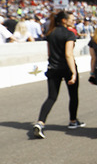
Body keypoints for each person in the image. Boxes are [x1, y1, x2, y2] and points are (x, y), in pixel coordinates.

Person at [32, 10, 84, 138]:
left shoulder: (50, 33)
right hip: (66, 67)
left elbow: (49, 54)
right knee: (73, 95)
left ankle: (40, 122)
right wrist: (73, 72)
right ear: (64, 20)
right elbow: (68, 54)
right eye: (71, 19)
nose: (73, 20)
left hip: (53, 68)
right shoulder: (69, 34)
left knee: (51, 97)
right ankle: (73, 121)